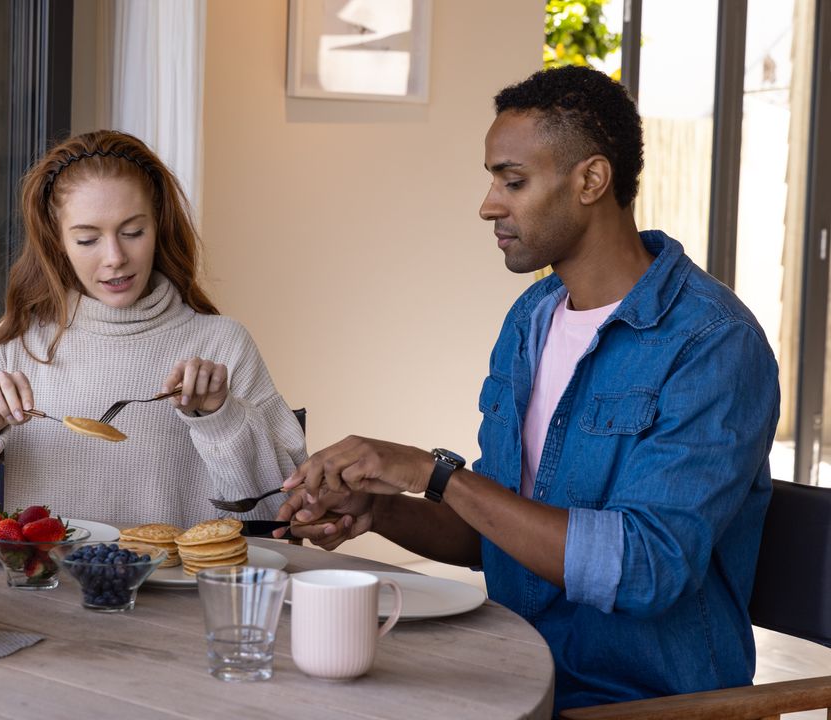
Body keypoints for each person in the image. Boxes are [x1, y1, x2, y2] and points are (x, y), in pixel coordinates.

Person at [276, 66, 779, 713]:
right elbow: (500, 534)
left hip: (633, 701)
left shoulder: (712, 344)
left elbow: (646, 570)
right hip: (510, 673)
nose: (489, 204)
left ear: (591, 180)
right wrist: (382, 508)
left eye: (512, 181)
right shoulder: (532, 320)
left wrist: (433, 471)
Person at [0, 130, 307, 528]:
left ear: (159, 226)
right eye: (87, 239)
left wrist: (221, 416)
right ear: (57, 241)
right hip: (43, 590)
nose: (115, 257)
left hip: (181, 591)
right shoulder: (16, 349)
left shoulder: (223, 346)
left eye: (133, 233)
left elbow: (283, 515)